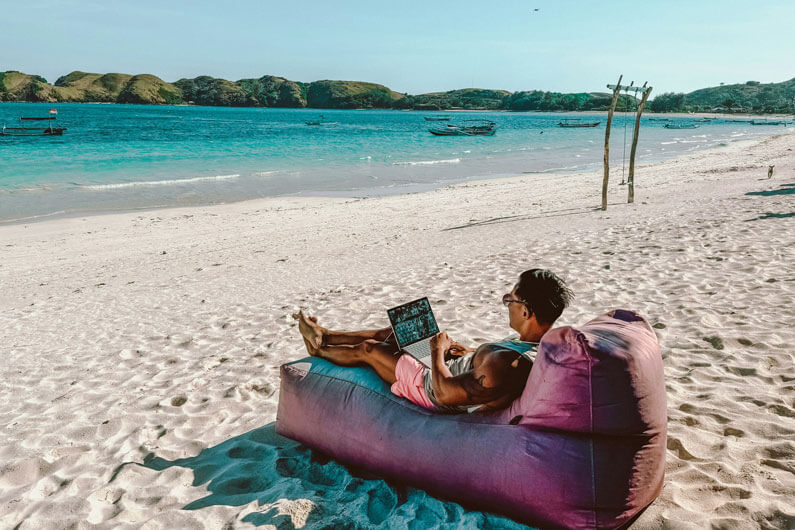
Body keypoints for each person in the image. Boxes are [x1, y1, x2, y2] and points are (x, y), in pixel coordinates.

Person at [294, 269, 573, 413]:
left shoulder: (506, 365)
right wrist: (469, 353)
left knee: (370, 350)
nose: (506, 303)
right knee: (398, 332)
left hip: (429, 386)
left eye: (509, 299)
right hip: (450, 366)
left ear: (526, 311)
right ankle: (327, 334)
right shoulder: (533, 344)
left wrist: (437, 352)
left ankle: (319, 348)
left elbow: (444, 395)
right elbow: (487, 366)